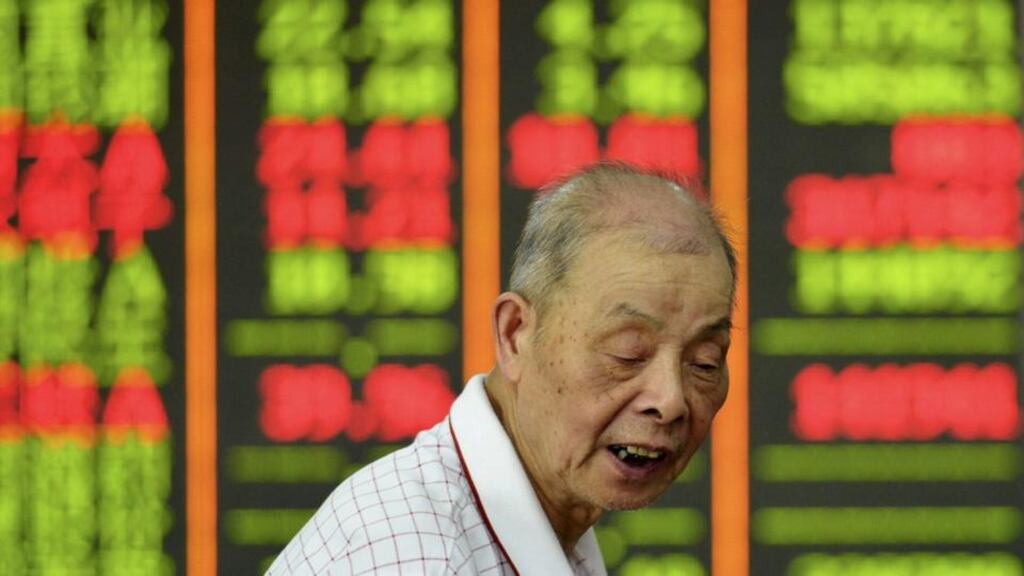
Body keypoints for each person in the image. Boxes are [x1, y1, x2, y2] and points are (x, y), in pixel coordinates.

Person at [267, 163, 737, 575]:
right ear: (515, 334)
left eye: (704, 362)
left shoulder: (547, 524)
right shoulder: (424, 559)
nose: (670, 399)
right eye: (628, 354)